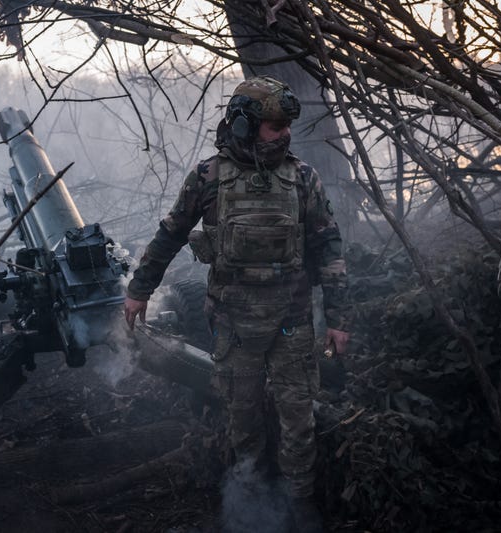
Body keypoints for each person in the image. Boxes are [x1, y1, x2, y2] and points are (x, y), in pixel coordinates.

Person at [124, 76, 349, 532]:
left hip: (291, 324)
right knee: (244, 423)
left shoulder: (302, 177)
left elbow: (329, 246)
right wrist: (139, 289)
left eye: (286, 126)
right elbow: (169, 234)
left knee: (298, 422)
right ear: (245, 126)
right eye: (273, 126)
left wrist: (339, 319)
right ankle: (252, 507)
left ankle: (301, 507)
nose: (283, 133)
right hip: (234, 327)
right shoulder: (208, 177)